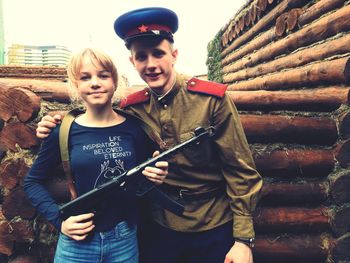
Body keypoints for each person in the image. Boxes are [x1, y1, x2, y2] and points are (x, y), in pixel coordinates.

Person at [36, 7, 263, 263]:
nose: (151, 64)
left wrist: (243, 240)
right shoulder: (134, 107)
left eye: (158, 53)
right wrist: (58, 120)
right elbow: (96, 111)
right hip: (158, 226)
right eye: (141, 57)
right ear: (132, 62)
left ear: (174, 55)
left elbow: (241, 170)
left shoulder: (210, 101)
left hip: (212, 223)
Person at [25, 48, 169, 263]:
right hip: (77, 243)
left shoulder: (135, 129)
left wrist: (156, 176)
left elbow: (141, 178)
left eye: (103, 75)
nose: (95, 83)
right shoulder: (63, 131)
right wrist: (59, 220)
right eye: (85, 77)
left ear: (114, 81)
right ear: (75, 85)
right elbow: (32, 182)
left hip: (124, 239)